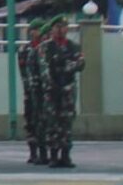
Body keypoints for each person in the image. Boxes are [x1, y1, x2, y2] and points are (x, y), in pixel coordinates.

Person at [38, 21, 82, 168]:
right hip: (52, 90)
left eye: (63, 27)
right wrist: (52, 83)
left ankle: (65, 155)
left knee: (66, 123)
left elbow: (80, 63)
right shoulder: (46, 47)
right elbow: (44, 67)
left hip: (68, 89)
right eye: (58, 27)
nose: (61, 30)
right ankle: (54, 155)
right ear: (52, 29)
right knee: (52, 123)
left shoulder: (73, 46)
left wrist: (69, 67)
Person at [20, 23, 52, 165]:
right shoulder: (26, 50)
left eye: (40, 30)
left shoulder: (50, 49)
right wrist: (31, 88)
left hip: (48, 92)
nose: (38, 33)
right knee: (32, 121)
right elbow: (25, 72)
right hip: (32, 91)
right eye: (35, 30)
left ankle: (48, 152)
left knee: (47, 121)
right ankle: (34, 152)